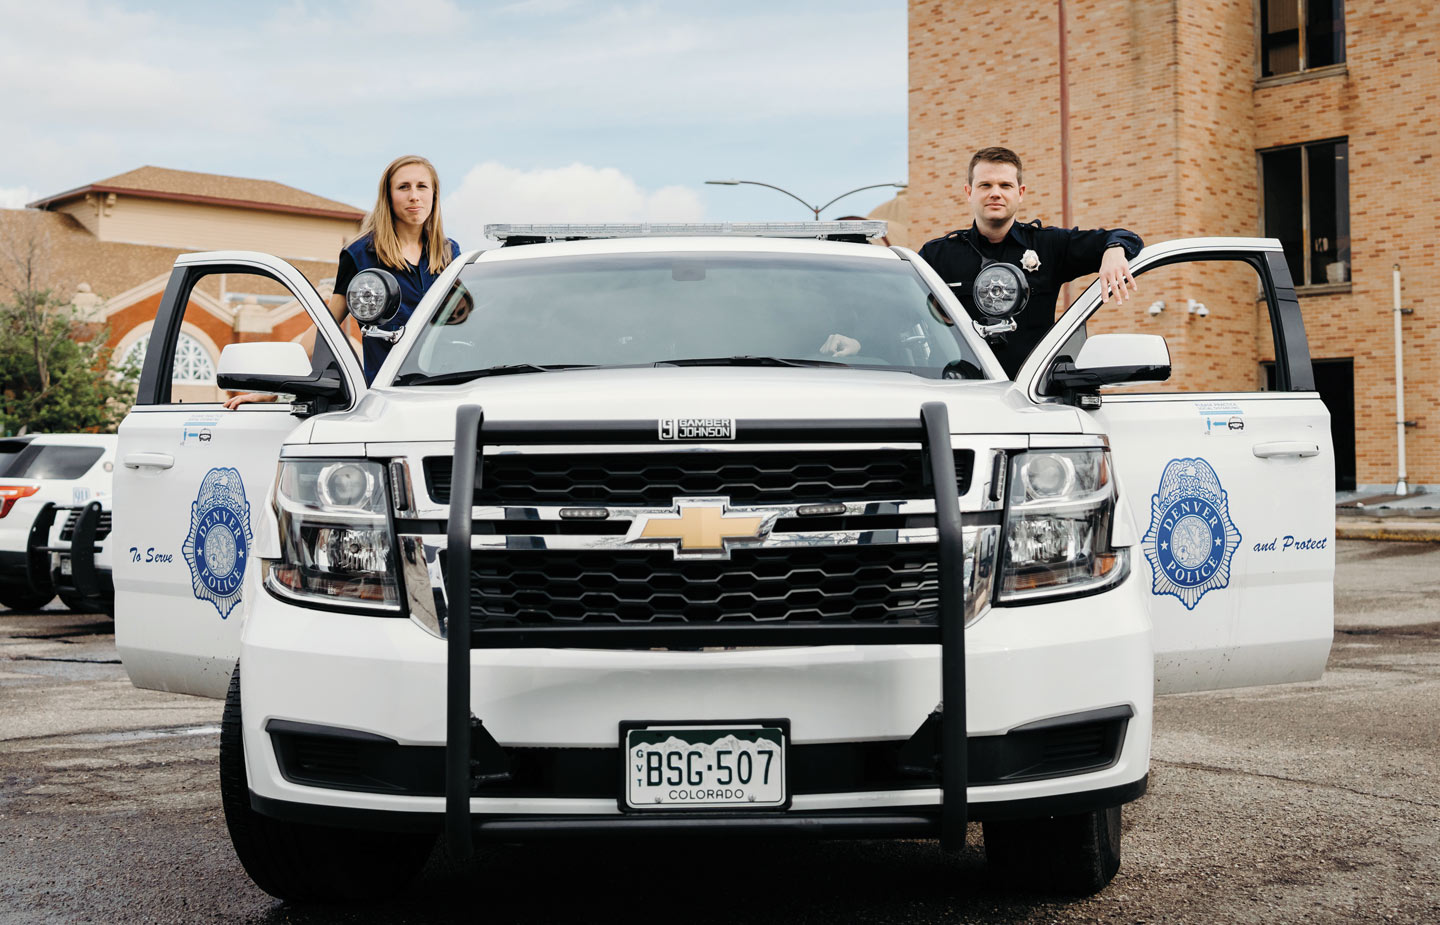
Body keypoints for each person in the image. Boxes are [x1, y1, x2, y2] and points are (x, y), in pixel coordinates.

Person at [821, 146, 1142, 378]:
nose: (995, 193)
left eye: (1005, 185)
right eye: (985, 185)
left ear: (1021, 192)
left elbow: (1125, 237)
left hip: (1031, 391)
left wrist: (1113, 251)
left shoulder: (1049, 245)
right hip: (962, 389)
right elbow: (901, 311)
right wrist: (859, 338)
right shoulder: (939, 254)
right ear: (969, 191)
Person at [224, 154, 459, 408]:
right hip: (389, 396)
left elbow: (468, 322)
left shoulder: (450, 253)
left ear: (434, 194)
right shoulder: (361, 254)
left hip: (449, 391)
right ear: (388, 197)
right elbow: (326, 325)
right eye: (404, 187)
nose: (414, 195)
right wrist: (272, 388)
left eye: (422, 186)